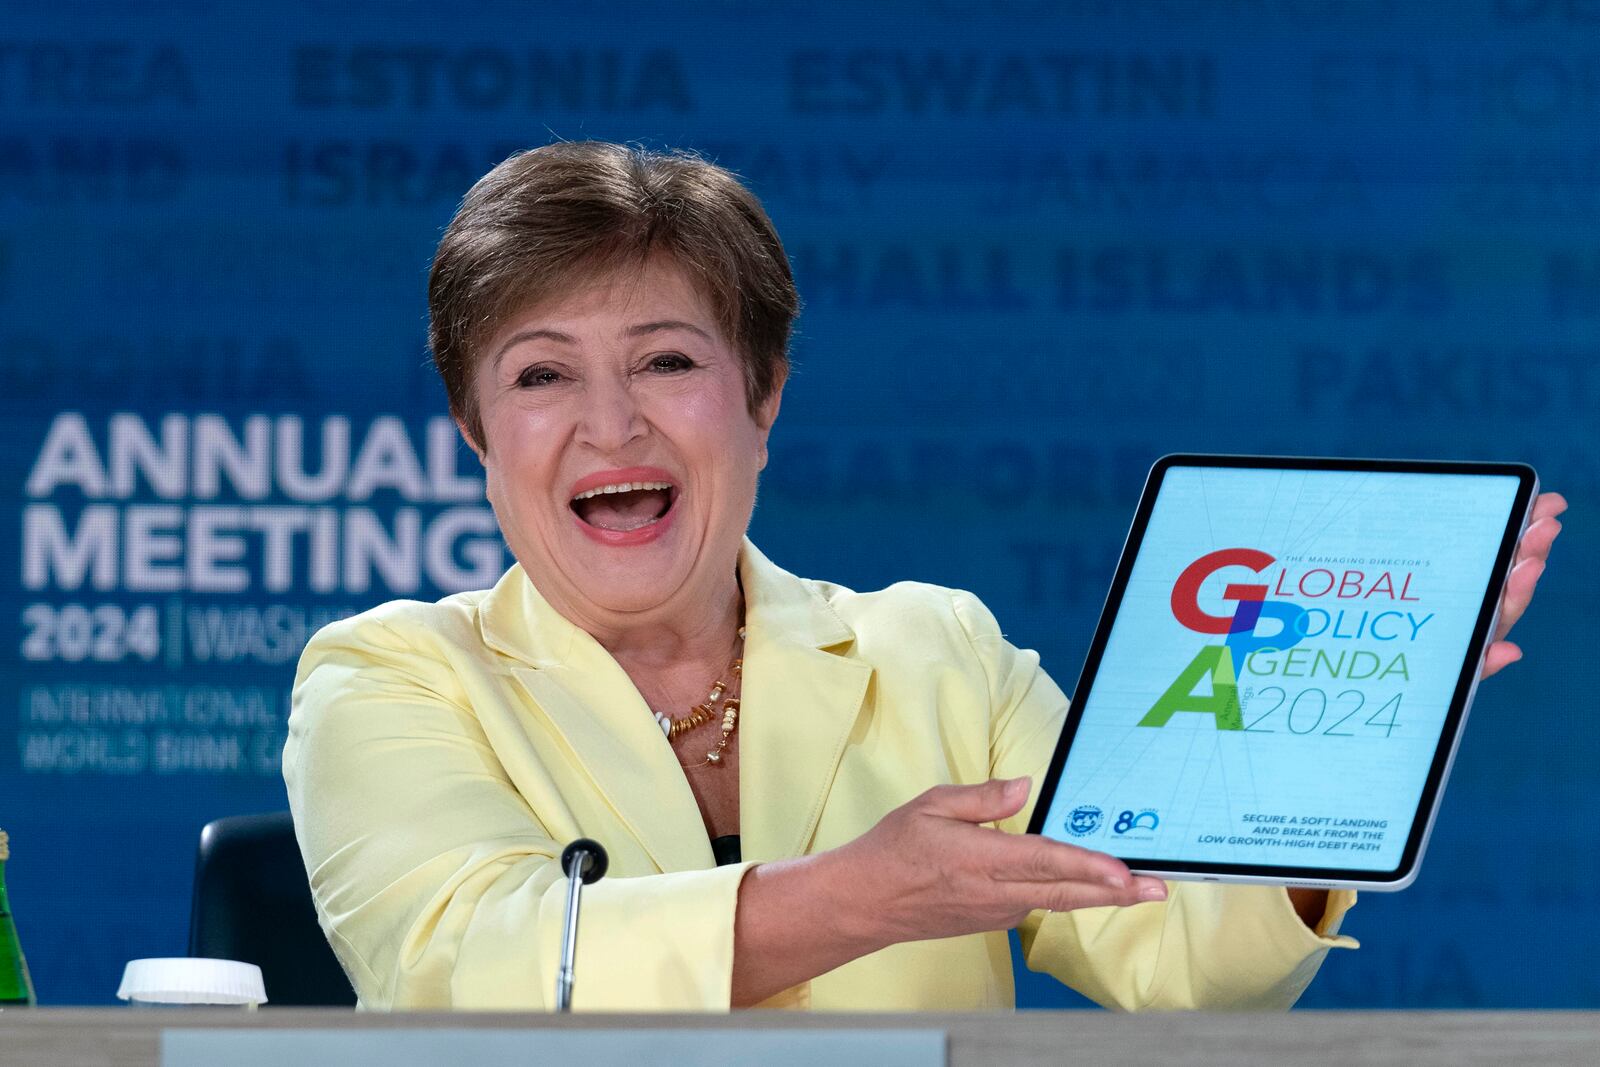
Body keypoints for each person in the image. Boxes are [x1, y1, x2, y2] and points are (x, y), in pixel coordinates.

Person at [283, 141, 1565, 1012]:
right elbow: (469, 969)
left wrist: (1343, 730)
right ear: (474, 429)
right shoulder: (390, 678)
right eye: (542, 374)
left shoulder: (935, 654)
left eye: (667, 362)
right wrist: (854, 896)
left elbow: (1173, 953)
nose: (610, 426)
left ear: (763, 394)